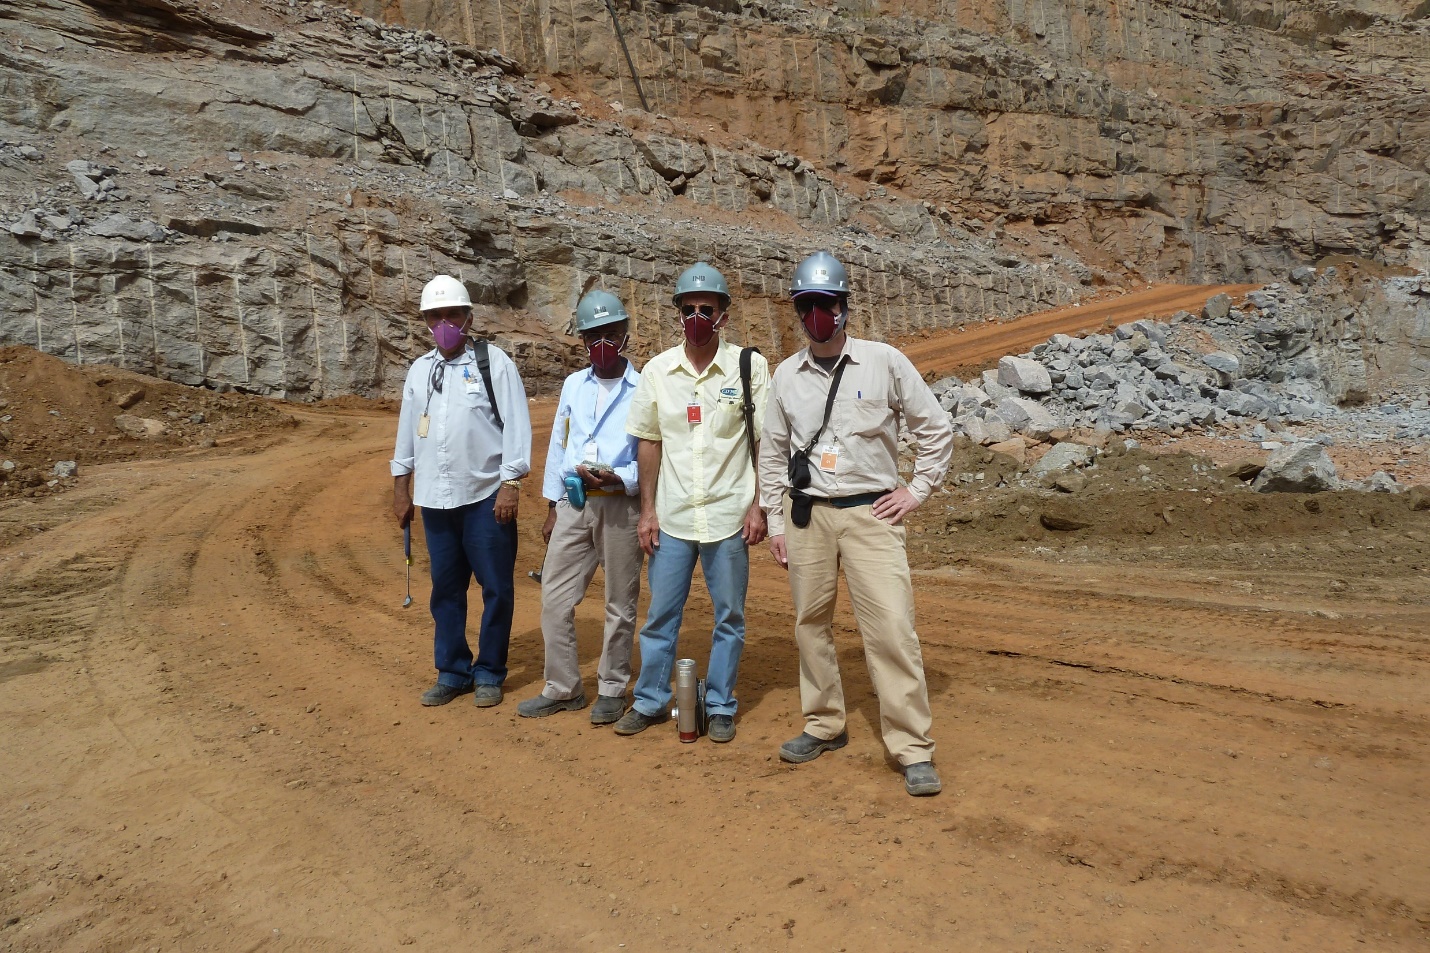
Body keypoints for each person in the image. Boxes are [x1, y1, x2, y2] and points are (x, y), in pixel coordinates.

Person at [758, 252, 954, 796]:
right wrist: (776, 521)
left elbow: (935, 428)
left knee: (892, 628)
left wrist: (915, 490)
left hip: (872, 515)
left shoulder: (884, 361)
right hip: (808, 516)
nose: (818, 314)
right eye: (808, 305)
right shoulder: (785, 376)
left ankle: (912, 747)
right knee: (810, 624)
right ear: (798, 312)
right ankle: (823, 723)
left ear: (845, 307)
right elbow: (772, 453)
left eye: (827, 304)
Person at [612, 262, 769, 743]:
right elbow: (649, 443)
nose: (698, 316)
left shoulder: (749, 367)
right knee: (661, 616)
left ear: (724, 314)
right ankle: (651, 700)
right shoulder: (659, 372)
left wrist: (758, 505)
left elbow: (766, 442)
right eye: (689, 309)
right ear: (678, 313)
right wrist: (648, 513)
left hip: (728, 516)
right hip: (674, 518)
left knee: (730, 617)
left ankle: (720, 704)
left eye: (708, 309)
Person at [391, 275, 532, 709]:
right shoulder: (419, 370)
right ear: (426, 322)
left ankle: (489, 671)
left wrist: (510, 484)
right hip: (435, 500)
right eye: (436, 316)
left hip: (486, 495)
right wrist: (401, 488)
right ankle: (452, 671)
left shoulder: (494, 364)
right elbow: (407, 434)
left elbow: (517, 426)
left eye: (452, 314)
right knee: (445, 590)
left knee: (496, 588)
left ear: (468, 318)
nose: (444, 323)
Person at [517, 290, 643, 725]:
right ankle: (563, 686)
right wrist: (553, 505)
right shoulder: (573, 384)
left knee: (619, 603)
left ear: (625, 335)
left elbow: (654, 454)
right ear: (582, 340)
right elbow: (559, 443)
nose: (602, 345)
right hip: (574, 503)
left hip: (621, 507)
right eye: (593, 337)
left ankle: (612, 687)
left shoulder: (643, 388)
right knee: (555, 596)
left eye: (611, 334)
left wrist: (622, 479)